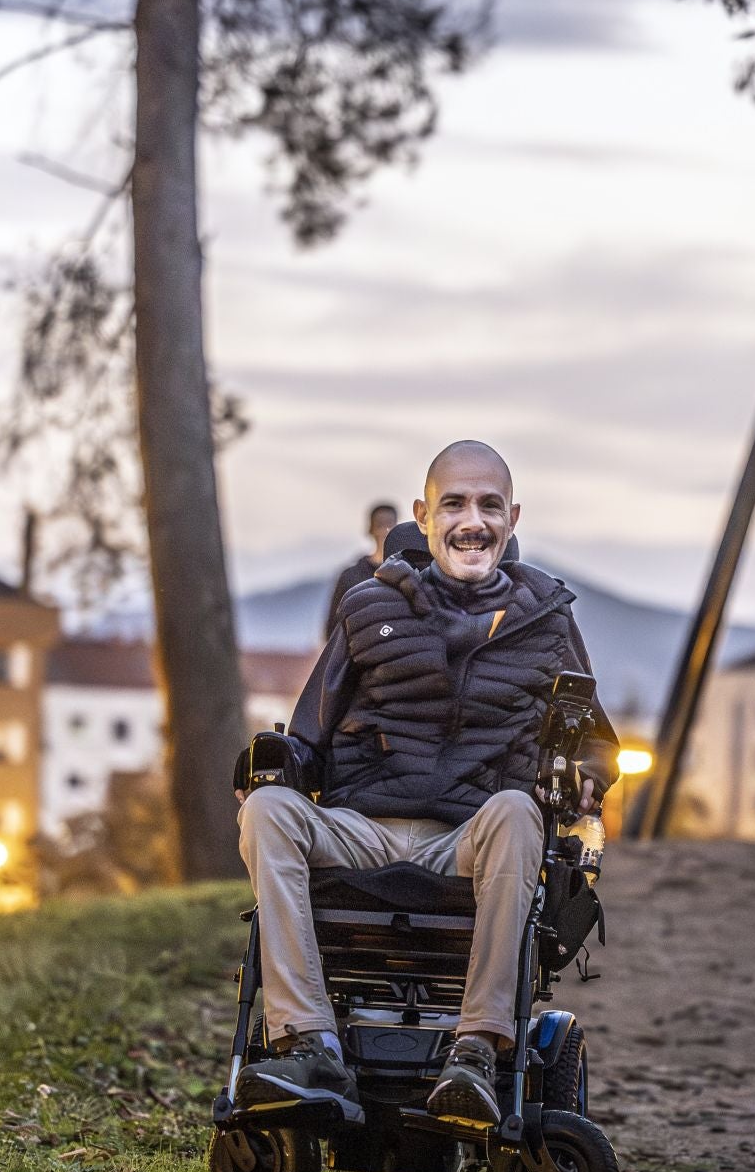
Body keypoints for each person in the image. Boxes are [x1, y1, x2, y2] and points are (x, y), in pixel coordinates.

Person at [234, 441, 619, 1125]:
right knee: (269, 809)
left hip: (470, 837)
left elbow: (595, 742)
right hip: (362, 831)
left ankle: (475, 1052)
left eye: (489, 505)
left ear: (511, 517)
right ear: (423, 515)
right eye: (454, 504)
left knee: (517, 810)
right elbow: (309, 735)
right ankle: (309, 1042)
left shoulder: (550, 620)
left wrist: (587, 775)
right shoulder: (366, 608)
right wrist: (274, 768)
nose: (472, 520)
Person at [323, 501, 399, 637]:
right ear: (371, 529)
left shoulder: (409, 574)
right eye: (380, 525)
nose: (385, 530)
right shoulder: (350, 577)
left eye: (390, 524)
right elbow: (333, 629)